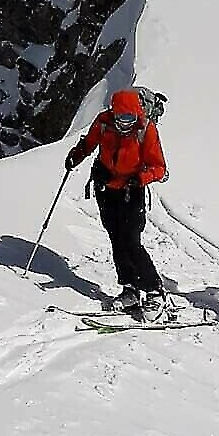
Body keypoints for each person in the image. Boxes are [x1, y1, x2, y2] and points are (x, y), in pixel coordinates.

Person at [66, 89, 168, 317]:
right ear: (113, 113)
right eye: (121, 117)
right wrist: (76, 155)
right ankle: (129, 289)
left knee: (131, 241)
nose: (125, 123)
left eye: (130, 118)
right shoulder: (104, 123)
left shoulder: (145, 130)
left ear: (137, 114)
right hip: (106, 190)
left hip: (132, 191)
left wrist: (139, 178)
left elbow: (159, 168)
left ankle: (155, 291)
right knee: (117, 240)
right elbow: (89, 144)